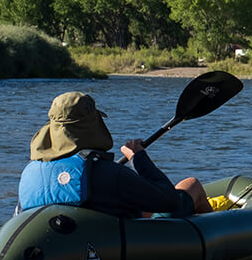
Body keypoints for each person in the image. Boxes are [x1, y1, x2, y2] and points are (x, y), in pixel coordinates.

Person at [18, 91, 213, 217]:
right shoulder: (110, 174)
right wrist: (138, 158)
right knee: (191, 184)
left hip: (70, 239)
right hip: (112, 239)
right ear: (93, 126)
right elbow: (169, 200)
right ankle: (215, 226)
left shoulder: (30, 174)